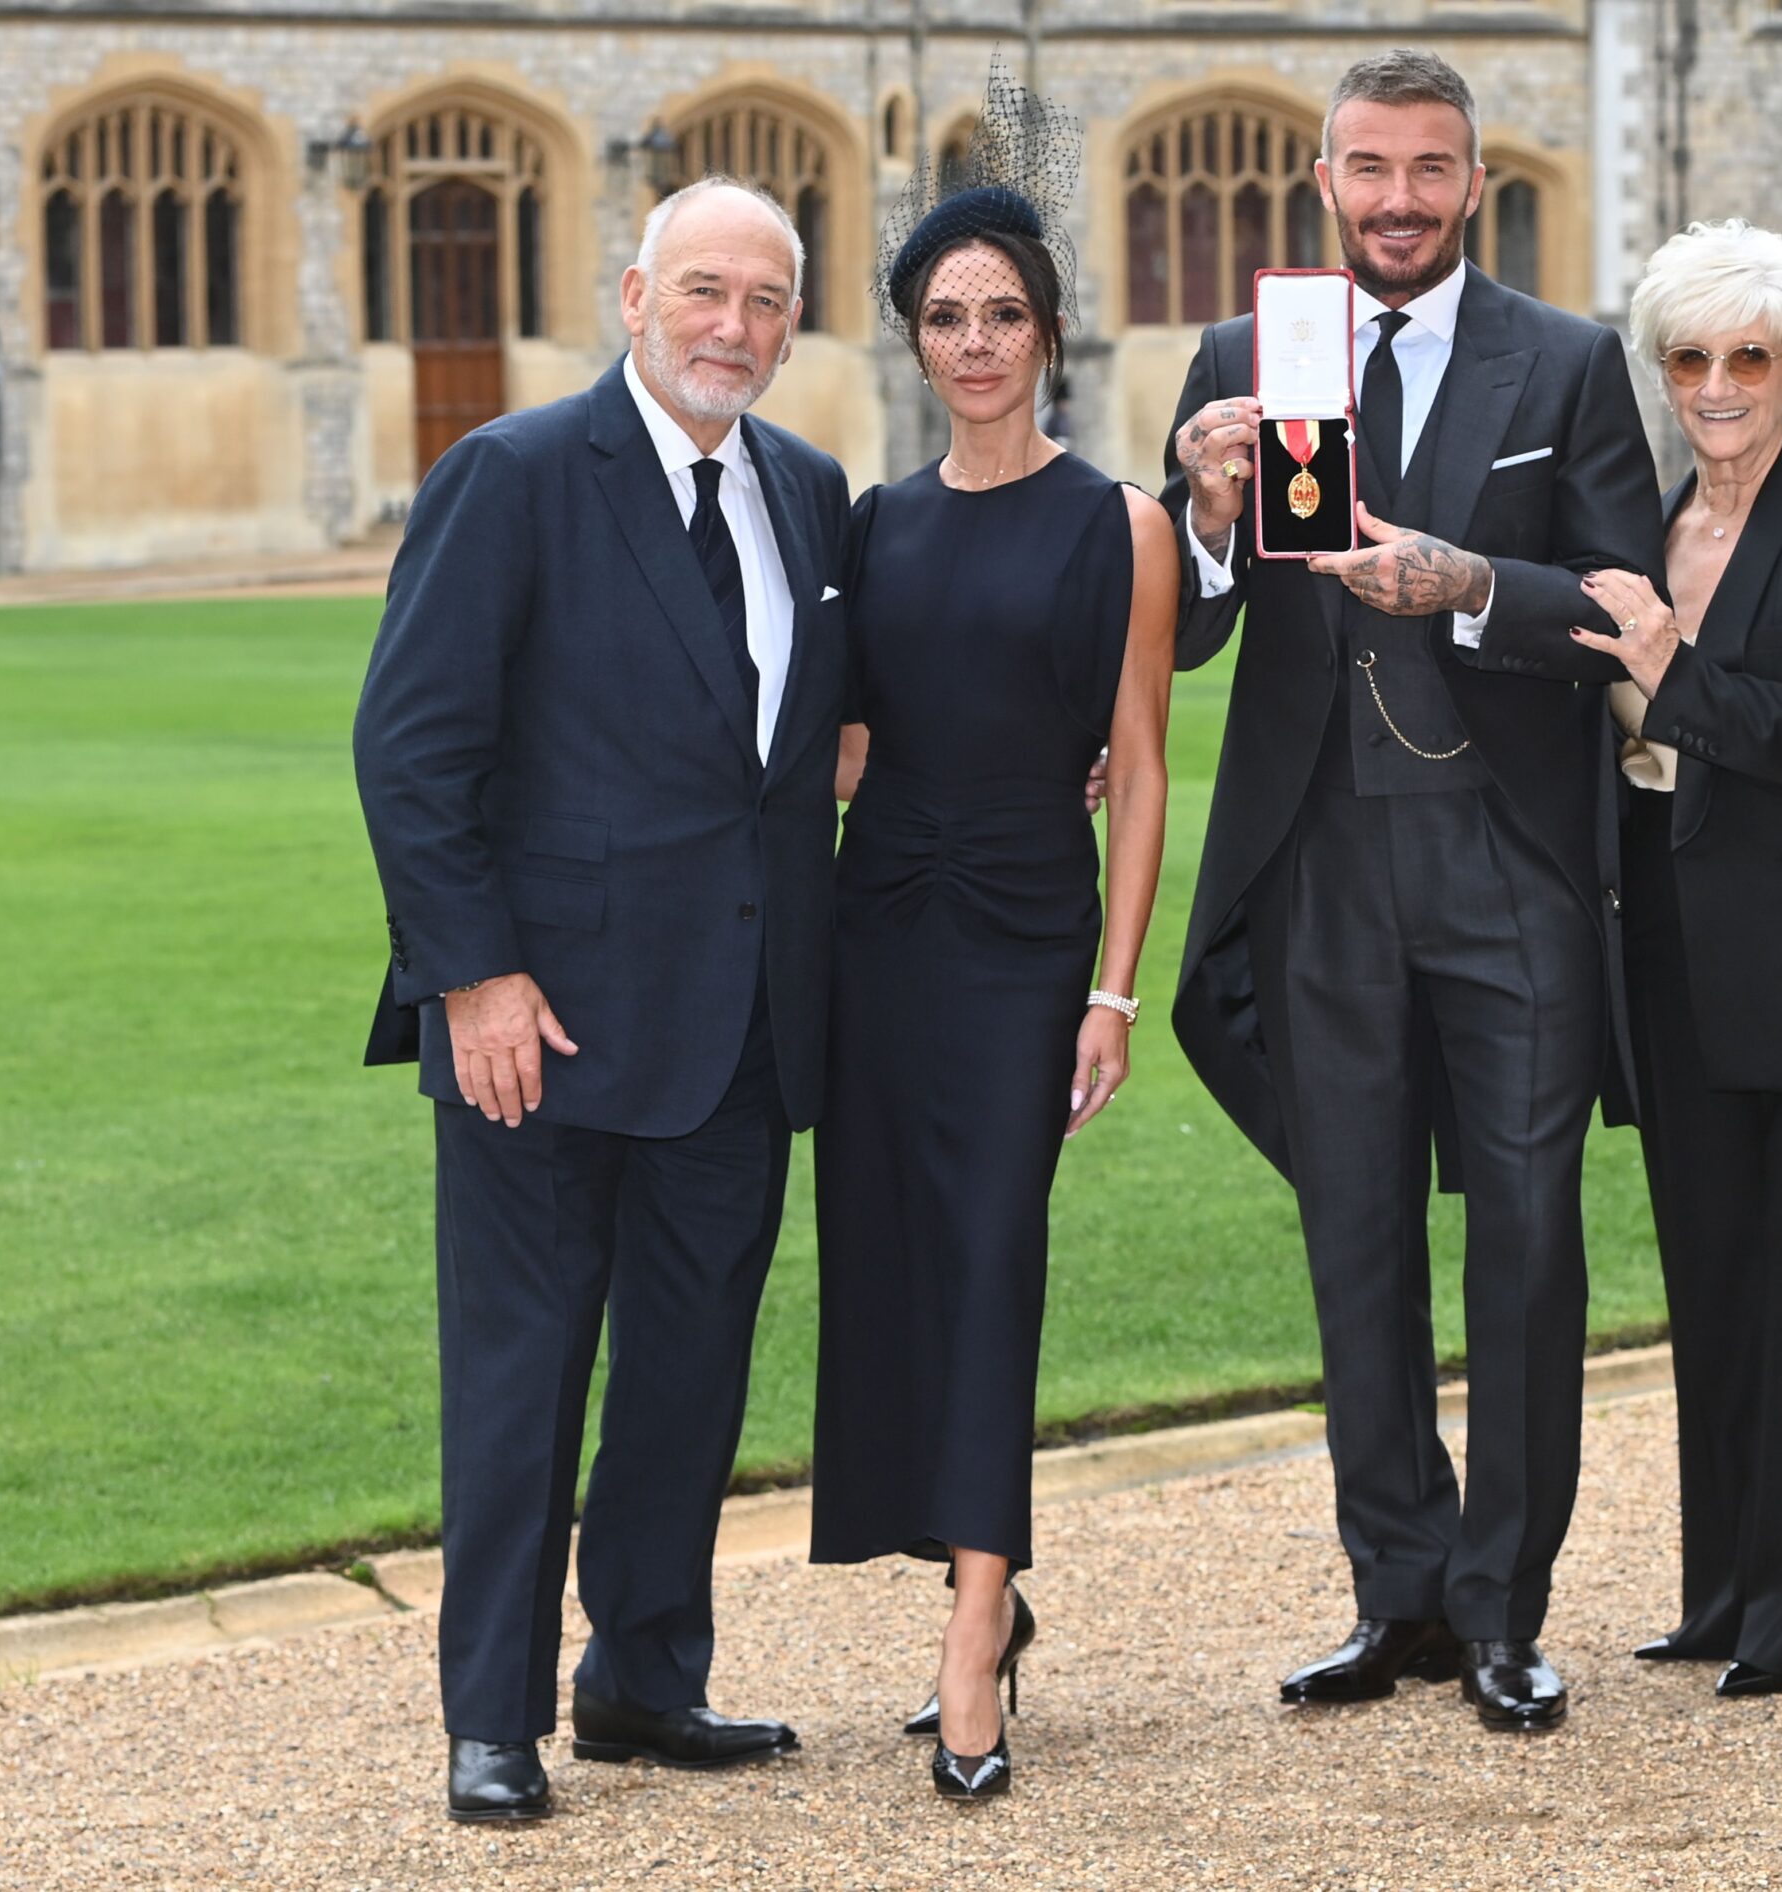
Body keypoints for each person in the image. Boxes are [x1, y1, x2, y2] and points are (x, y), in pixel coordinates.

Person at [1162, 48, 1665, 1732]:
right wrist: (1214, 523)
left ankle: (1505, 1607)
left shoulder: (1570, 362)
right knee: (1354, 1241)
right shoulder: (1255, 351)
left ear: (1473, 182)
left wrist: (1467, 585)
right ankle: (1401, 1595)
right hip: (1320, 864)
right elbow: (1200, 627)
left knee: (1528, 1247)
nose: (1396, 200)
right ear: (1325, 180)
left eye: (1428, 171)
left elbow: (1617, 602)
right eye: (1367, 170)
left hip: (1509, 864)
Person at [353, 178, 851, 1824]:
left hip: (739, 1029)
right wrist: (474, 975)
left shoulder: (809, 489)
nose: (735, 327)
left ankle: (643, 1677)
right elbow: (414, 746)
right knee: (522, 1383)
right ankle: (488, 1715)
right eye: (706, 290)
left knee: (688, 1382)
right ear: (634, 296)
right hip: (539, 1032)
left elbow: (802, 746)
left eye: (767, 301)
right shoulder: (509, 476)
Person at [1474, 219, 1782, 1698]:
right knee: (1722, 1285)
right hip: (1674, 958)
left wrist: (1681, 677)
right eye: (1691, 357)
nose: (1720, 384)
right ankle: (1731, 1588)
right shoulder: (1655, 531)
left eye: (1750, 356)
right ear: (1661, 370)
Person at [808, 69, 1178, 1803]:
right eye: (945, 316)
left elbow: (1148, 767)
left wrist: (1115, 986)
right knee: (894, 1264)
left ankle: (977, 1630)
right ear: (912, 339)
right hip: (879, 937)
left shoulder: (1122, 525)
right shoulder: (870, 527)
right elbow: (850, 743)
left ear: (1048, 332)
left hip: (1029, 945)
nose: (975, 342)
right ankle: (977, 1583)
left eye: (1003, 313)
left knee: (993, 1266)